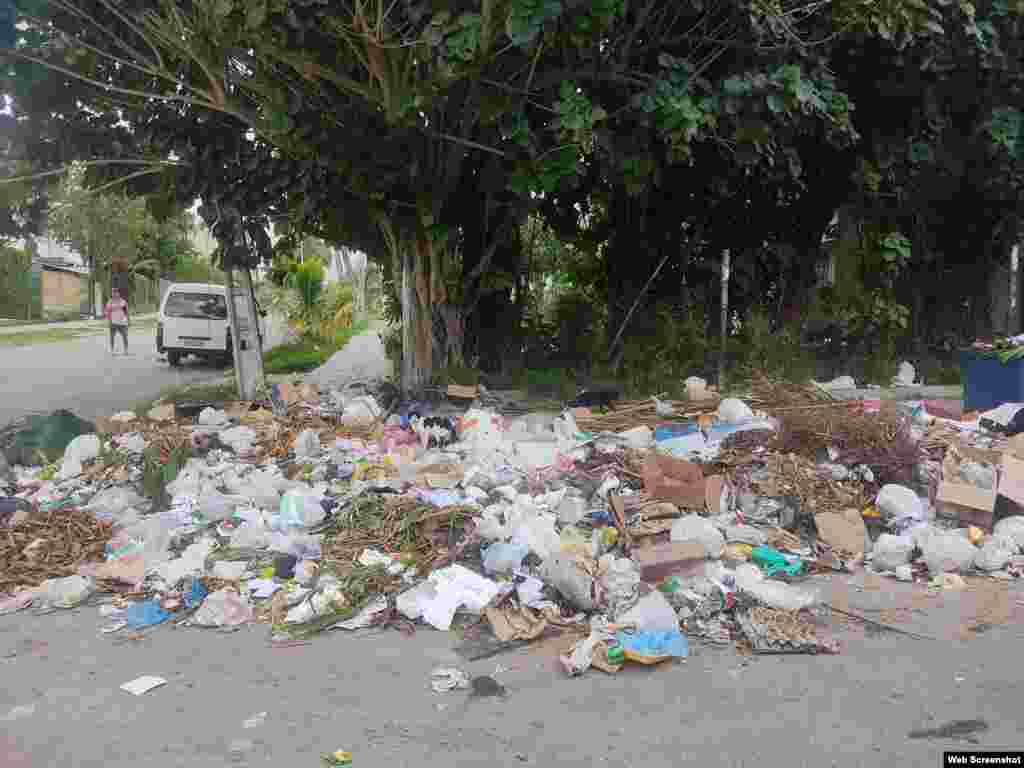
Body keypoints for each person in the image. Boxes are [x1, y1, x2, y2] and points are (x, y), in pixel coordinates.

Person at [104, 287, 130, 354]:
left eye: (116, 292)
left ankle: (126, 350)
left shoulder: (123, 301)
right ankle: (112, 350)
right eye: (113, 292)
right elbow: (107, 312)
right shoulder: (110, 302)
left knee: (125, 336)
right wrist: (109, 320)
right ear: (112, 294)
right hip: (113, 322)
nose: (115, 294)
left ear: (119, 293)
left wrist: (128, 320)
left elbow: (126, 311)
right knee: (112, 337)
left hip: (122, 322)